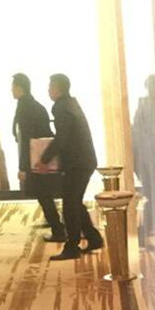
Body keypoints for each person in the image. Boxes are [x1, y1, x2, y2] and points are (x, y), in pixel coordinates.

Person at [34, 74, 104, 261]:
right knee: (74, 202)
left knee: (70, 205)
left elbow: (61, 138)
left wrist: (44, 159)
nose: (48, 90)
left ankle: (72, 247)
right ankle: (94, 238)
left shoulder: (61, 107)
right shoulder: (70, 104)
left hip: (77, 163)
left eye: (50, 87)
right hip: (83, 161)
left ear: (57, 88)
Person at [11, 73, 65, 239]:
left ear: (19, 88)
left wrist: (23, 167)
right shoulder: (34, 105)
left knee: (43, 194)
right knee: (44, 194)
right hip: (40, 156)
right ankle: (58, 227)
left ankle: (58, 229)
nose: (11, 90)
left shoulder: (25, 108)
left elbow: (26, 139)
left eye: (13, 87)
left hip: (37, 158)